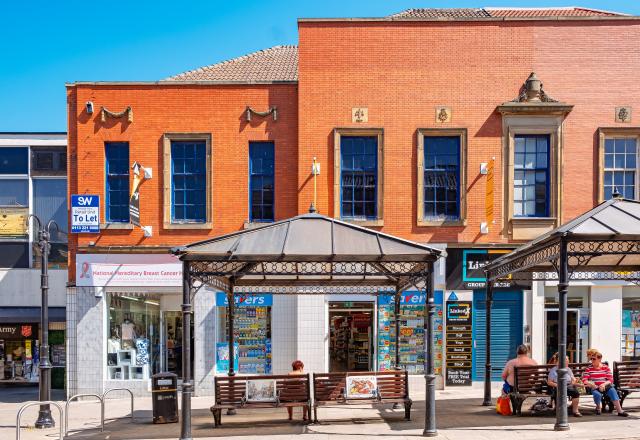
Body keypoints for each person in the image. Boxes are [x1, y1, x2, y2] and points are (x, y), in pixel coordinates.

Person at [582, 351, 628, 416]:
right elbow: (584, 380)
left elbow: (610, 380)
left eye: (594, 359)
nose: (592, 360)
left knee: (613, 391)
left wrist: (603, 384)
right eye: (591, 359)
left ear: (599, 359)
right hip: (594, 386)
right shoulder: (589, 368)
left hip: (605, 386)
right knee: (597, 394)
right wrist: (592, 384)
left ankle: (619, 411)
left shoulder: (605, 367)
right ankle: (598, 407)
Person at [547, 352, 582, 417]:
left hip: (568, 386)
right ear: (559, 362)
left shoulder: (568, 369)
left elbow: (573, 378)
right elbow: (549, 382)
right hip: (558, 386)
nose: (567, 362)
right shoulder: (553, 370)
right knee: (559, 392)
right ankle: (560, 411)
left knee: (576, 392)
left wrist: (574, 380)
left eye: (568, 361)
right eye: (566, 360)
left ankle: (575, 411)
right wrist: (557, 385)